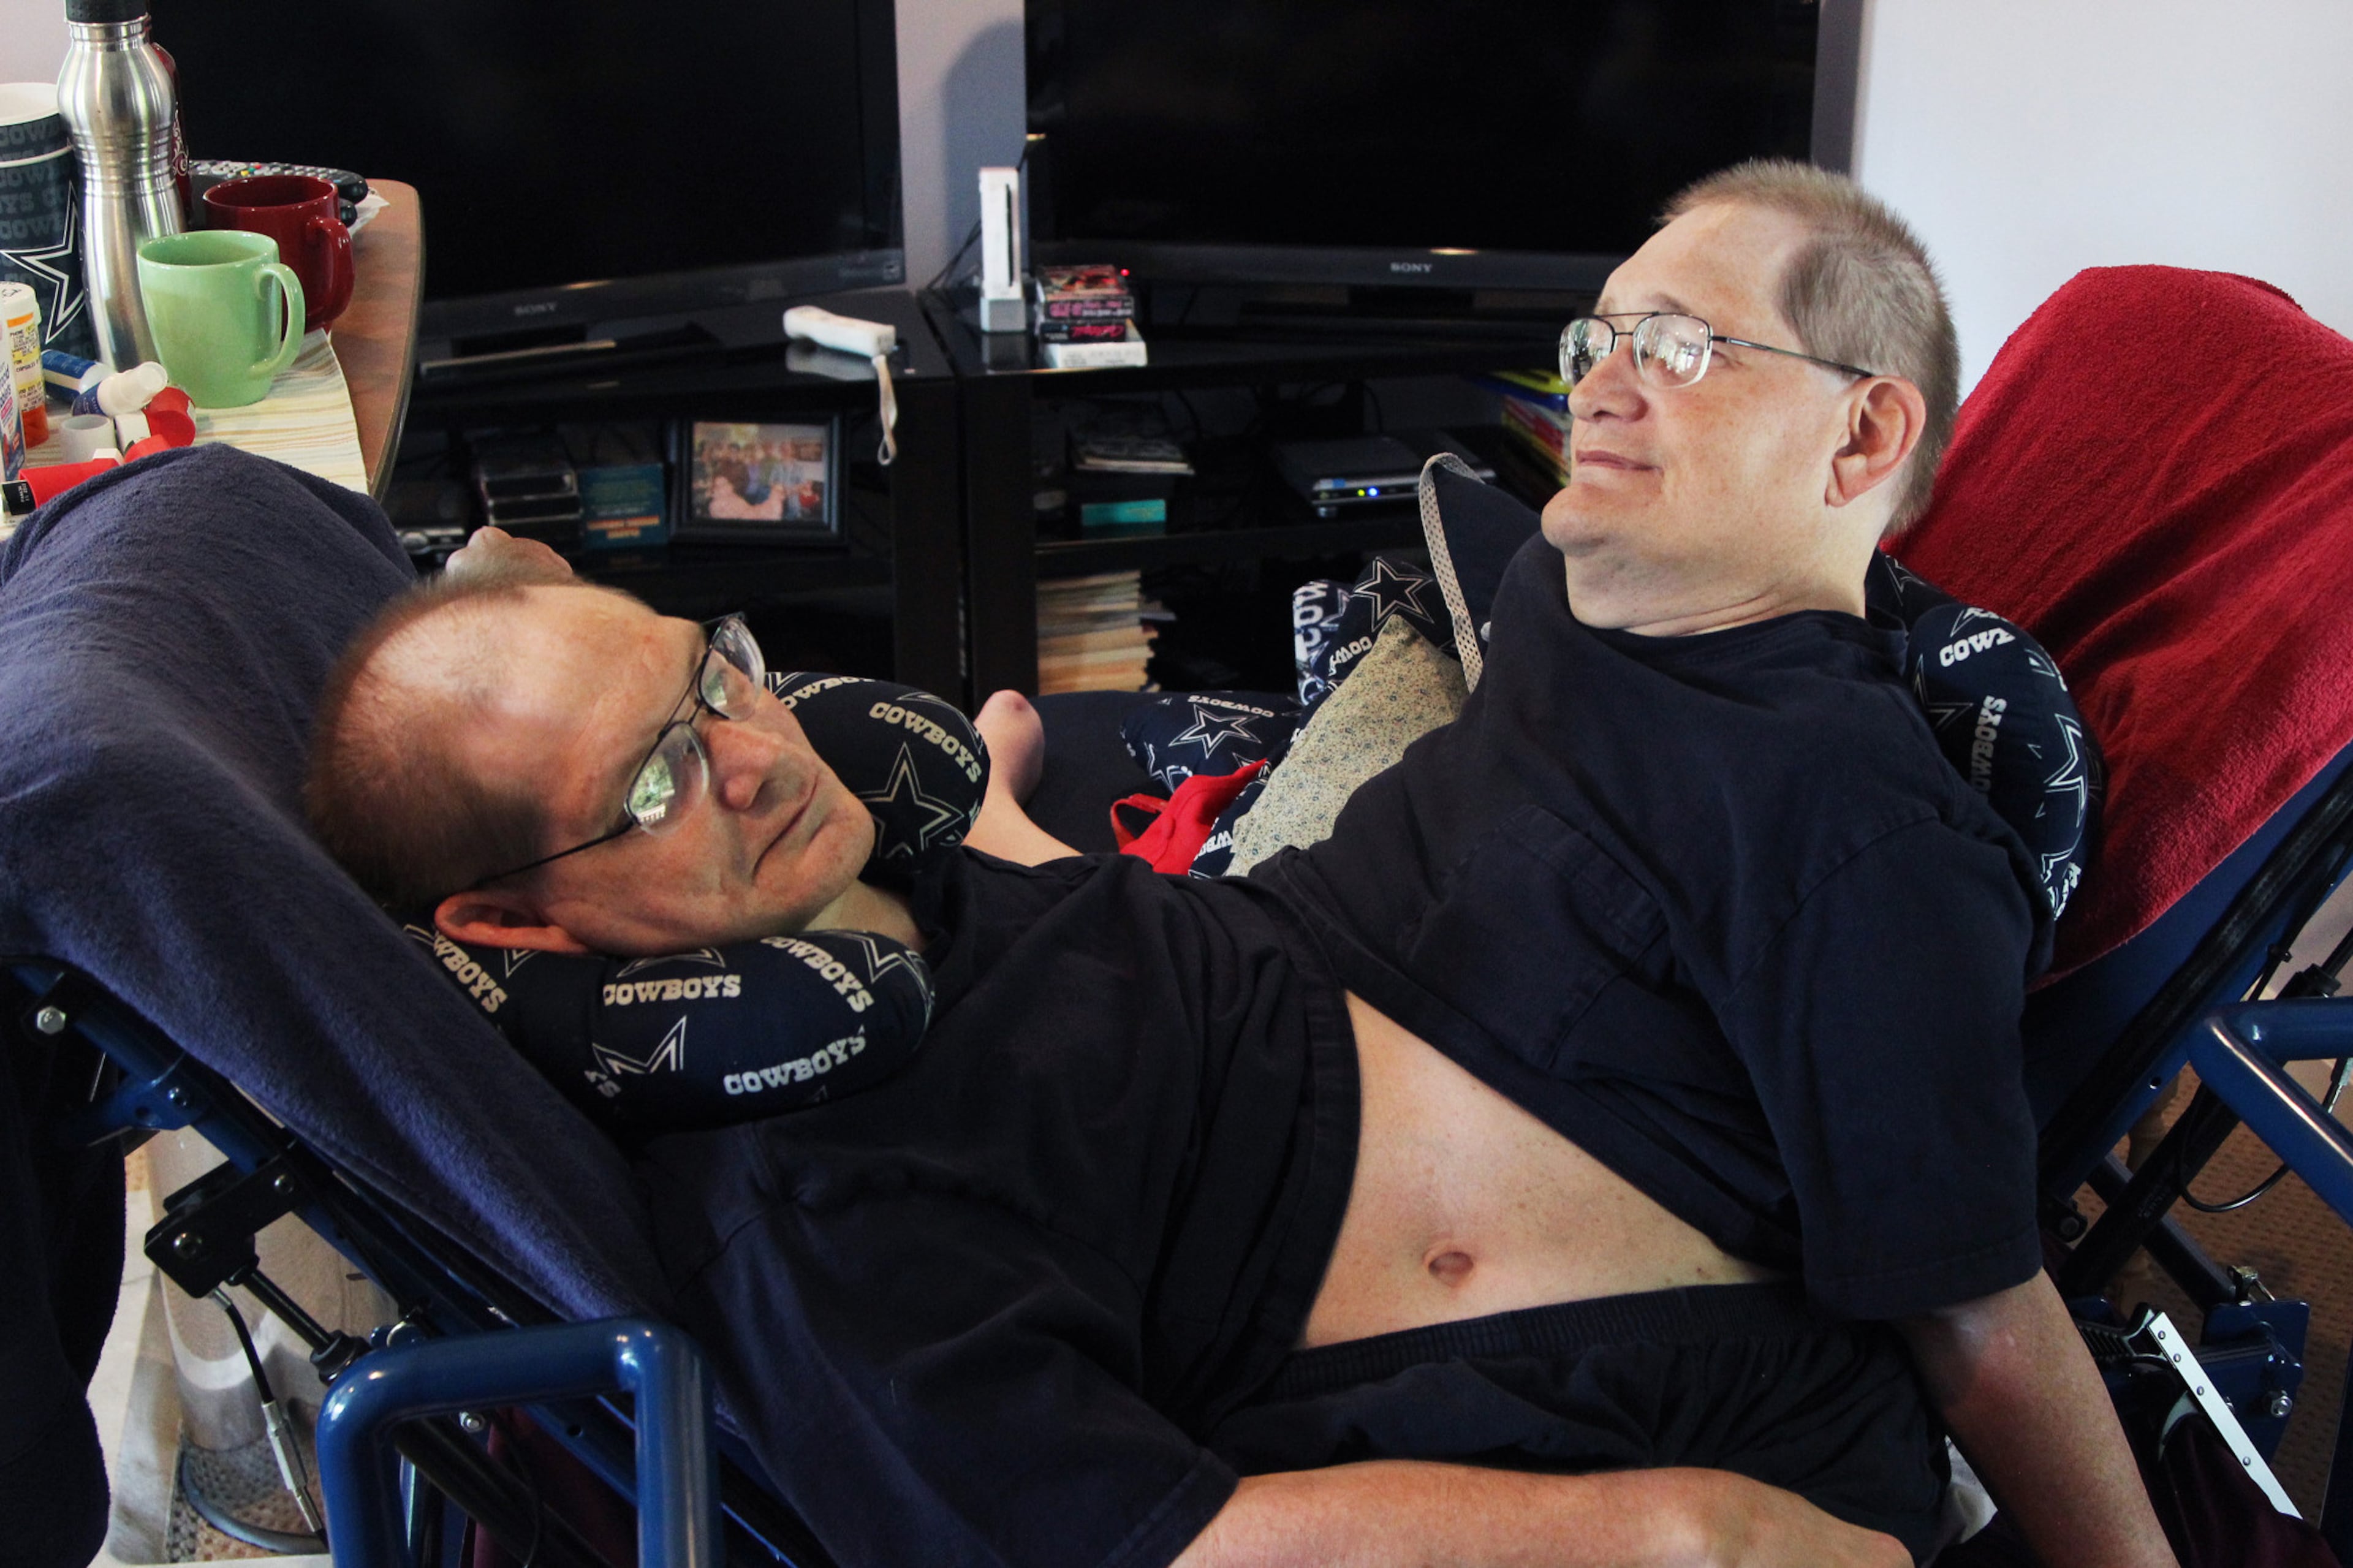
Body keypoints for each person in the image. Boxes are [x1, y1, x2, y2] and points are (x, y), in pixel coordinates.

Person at [307, 162, 2173, 1568]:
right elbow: (1147, 1540)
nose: (1601, 384)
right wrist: (1682, 1535)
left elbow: (1980, 1316)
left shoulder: (1840, 810)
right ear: (503, 922)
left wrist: (994, 830)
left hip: (1380, 1104)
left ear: (1865, 433)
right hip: (1433, 1295)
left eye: (1678, 348)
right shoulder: (812, 1205)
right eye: (654, 780)